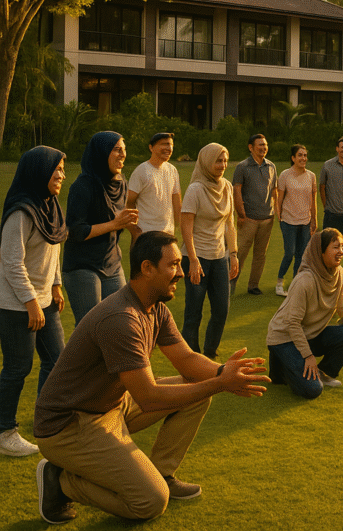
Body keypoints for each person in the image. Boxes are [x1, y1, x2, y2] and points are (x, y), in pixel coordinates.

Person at [33, 231, 269, 523]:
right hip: (69, 425)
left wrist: (223, 372)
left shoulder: (155, 308)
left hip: (109, 407)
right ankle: (61, 482)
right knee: (150, 502)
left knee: (198, 391)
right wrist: (221, 383)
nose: (181, 272)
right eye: (173, 265)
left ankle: (162, 473)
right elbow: (149, 397)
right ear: (147, 268)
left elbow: (185, 359)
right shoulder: (121, 318)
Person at [0, 147, 67, 458]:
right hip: (16, 304)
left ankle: (48, 420)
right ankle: (4, 431)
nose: (62, 176)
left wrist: (55, 285)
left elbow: (53, 247)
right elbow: (12, 262)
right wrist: (30, 303)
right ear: (40, 172)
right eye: (56, 171)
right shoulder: (21, 211)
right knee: (18, 367)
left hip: (43, 300)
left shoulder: (49, 205)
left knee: (58, 359)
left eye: (63, 170)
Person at [266, 229, 343, 398]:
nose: (342, 251)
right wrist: (308, 356)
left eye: (342, 246)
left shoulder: (338, 272)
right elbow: (292, 323)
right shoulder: (305, 281)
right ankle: (281, 367)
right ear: (321, 251)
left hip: (311, 334)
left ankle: (323, 373)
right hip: (284, 339)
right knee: (312, 390)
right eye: (336, 247)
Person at [63, 132, 140, 323]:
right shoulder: (83, 185)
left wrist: (132, 228)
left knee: (121, 321)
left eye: (124, 150)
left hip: (111, 263)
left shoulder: (121, 183)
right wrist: (115, 224)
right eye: (116, 149)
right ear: (101, 152)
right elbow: (76, 231)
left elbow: (117, 226)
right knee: (91, 326)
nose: (123, 154)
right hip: (83, 266)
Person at [180, 143, 238, 360]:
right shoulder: (195, 189)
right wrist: (193, 260)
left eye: (225, 160)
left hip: (219, 256)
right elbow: (186, 225)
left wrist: (233, 254)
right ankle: (191, 358)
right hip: (196, 257)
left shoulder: (227, 187)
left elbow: (230, 223)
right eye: (218, 160)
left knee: (221, 310)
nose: (222, 165)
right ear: (206, 162)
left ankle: (210, 353)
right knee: (193, 313)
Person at [231, 134, 278, 296]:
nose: (264, 148)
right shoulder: (242, 167)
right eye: (260, 145)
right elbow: (236, 190)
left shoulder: (271, 166)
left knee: (260, 255)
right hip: (249, 218)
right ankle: (230, 285)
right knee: (240, 254)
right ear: (251, 148)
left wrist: (274, 212)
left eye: (265, 145)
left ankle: (253, 285)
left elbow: (274, 191)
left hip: (267, 219)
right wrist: (241, 214)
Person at [276, 144, 317, 296]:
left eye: (305, 155)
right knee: (289, 252)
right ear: (293, 158)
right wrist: (279, 216)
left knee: (301, 254)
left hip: (305, 221)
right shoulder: (285, 175)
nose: (303, 158)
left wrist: (314, 220)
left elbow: (313, 201)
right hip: (288, 221)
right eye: (300, 155)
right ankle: (280, 283)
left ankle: (295, 284)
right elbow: (279, 199)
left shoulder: (311, 176)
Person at [126, 132, 180, 236]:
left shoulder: (172, 170)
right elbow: (129, 201)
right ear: (151, 148)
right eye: (164, 144)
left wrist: (180, 226)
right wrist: (134, 229)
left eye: (171, 145)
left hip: (168, 233)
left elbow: (177, 201)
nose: (168, 148)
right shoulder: (141, 171)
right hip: (146, 233)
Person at [319, 136, 343, 247]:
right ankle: (326, 265)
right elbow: (322, 186)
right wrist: (326, 205)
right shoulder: (327, 165)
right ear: (337, 148)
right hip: (330, 212)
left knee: (342, 243)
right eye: (342, 147)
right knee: (327, 243)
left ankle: (336, 264)